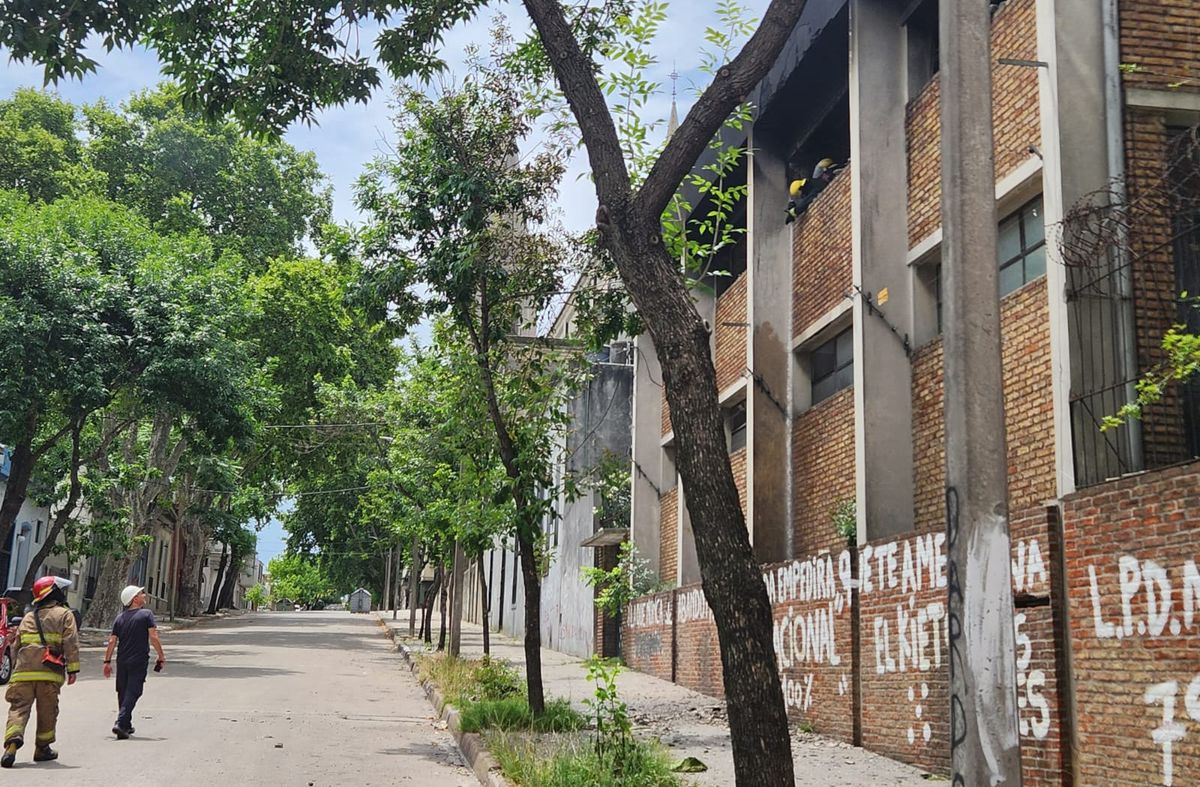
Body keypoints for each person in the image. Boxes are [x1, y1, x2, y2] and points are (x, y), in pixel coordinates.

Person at [1, 576, 80, 768]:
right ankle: (42, 748)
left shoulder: (28, 617)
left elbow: (16, 646)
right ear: (53, 592)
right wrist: (73, 669)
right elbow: (70, 643)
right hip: (48, 673)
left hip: (22, 674)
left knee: (18, 708)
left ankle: (11, 746)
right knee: (48, 711)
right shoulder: (64, 614)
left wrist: (16, 670)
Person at [102, 585, 166, 739]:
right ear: (134, 598)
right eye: (141, 593)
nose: (144, 595)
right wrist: (161, 655)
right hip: (139, 659)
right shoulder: (146, 614)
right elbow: (153, 637)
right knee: (134, 690)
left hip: (122, 660)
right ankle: (120, 722)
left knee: (123, 691)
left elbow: (112, 641)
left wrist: (107, 661)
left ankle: (126, 725)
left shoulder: (119, 618)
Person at [785, 157, 846, 223]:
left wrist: (794, 211)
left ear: (801, 189)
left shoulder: (814, 188)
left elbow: (807, 200)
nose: (803, 195)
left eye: (802, 193)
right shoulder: (815, 180)